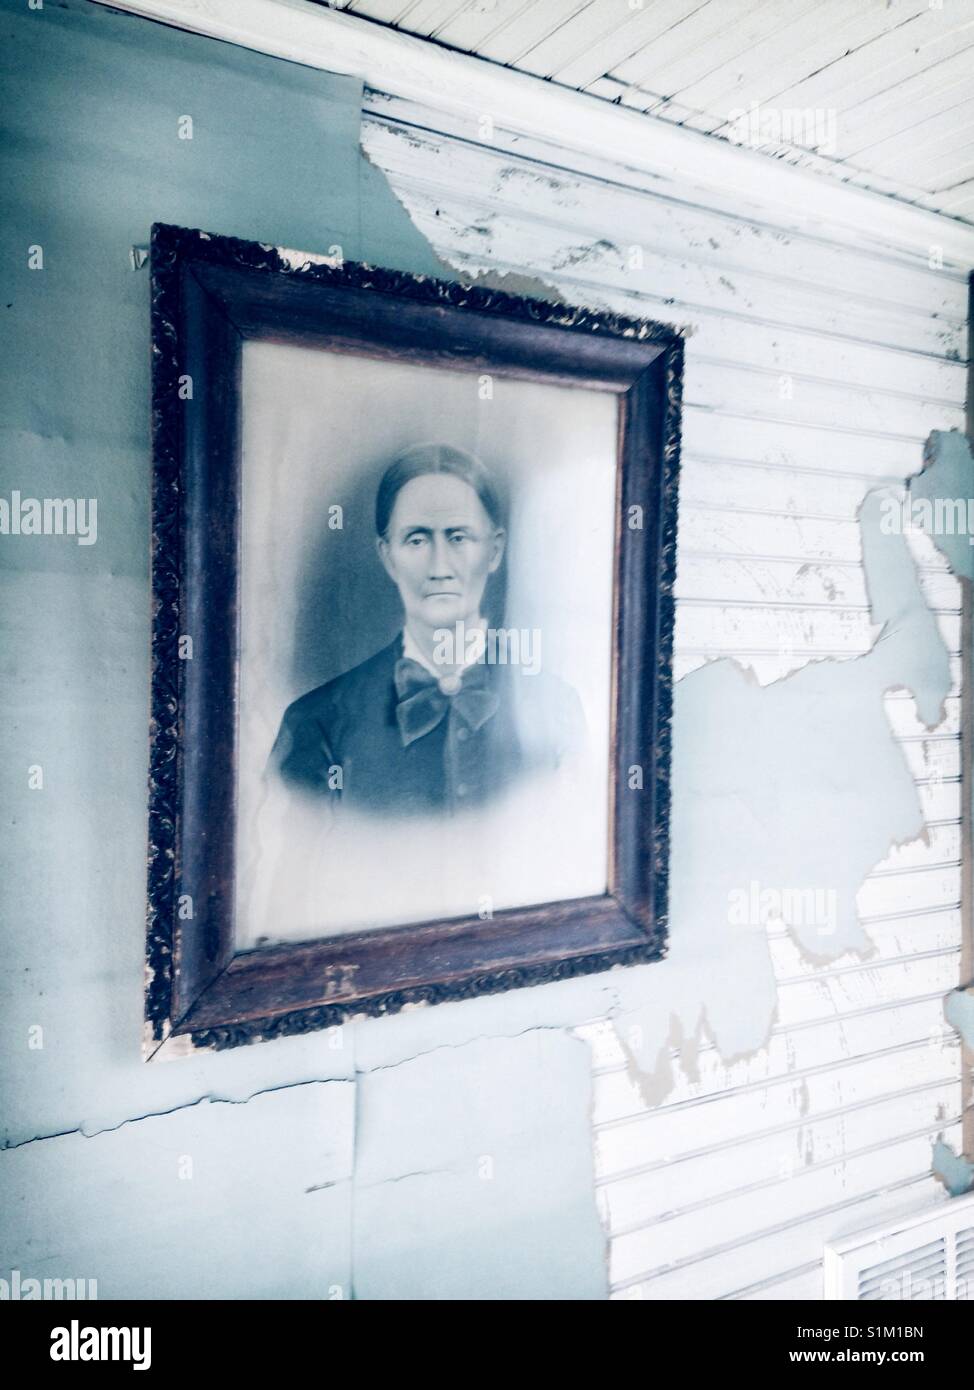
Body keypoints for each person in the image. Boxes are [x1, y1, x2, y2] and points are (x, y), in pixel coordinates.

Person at [271, 443, 584, 817]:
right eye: (417, 540)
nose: (439, 567)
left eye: (459, 538)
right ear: (388, 557)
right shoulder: (317, 721)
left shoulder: (557, 710)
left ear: (495, 551)